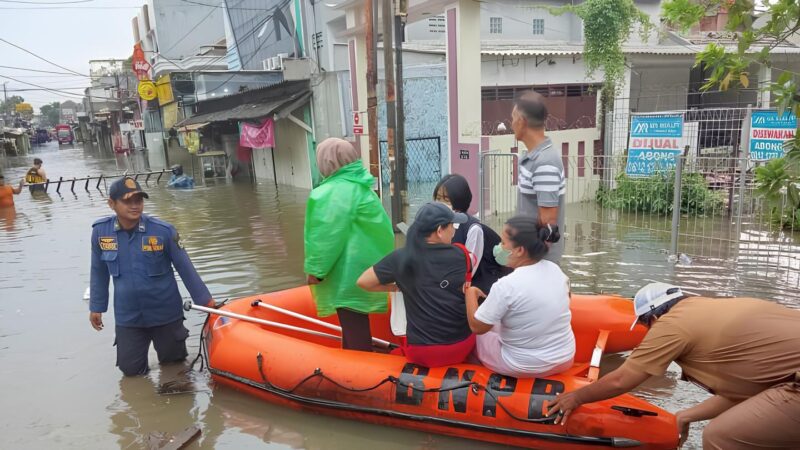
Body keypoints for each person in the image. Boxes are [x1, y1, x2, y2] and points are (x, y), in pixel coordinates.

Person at [547, 282, 800, 449]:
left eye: (646, 327)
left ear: (655, 317)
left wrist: (576, 398)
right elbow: (745, 393)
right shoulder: (703, 308)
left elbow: (621, 380)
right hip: (790, 378)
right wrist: (687, 415)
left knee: (719, 437)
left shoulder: (671, 324)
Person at [89, 176, 215, 376]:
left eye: (138, 200)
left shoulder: (162, 231)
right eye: (127, 201)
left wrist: (207, 303)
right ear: (111, 203)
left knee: (175, 367)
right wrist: (96, 307)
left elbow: (186, 268)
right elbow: (98, 270)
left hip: (165, 314)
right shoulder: (101, 232)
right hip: (128, 317)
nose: (135, 206)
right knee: (130, 372)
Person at [357, 202, 475, 367]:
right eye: (451, 226)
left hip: (421, 353)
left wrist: (395, 287)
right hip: (461, 347)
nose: (454, 231)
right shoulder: (462, 255)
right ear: (440, 231)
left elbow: (363, 282)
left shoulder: (401, 258)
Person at [304, 138, 394, 352]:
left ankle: (361, 377)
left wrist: (316, 271)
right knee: (355, 322)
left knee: (354, 326)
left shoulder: (333, 192)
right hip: (366, 265)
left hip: (348, 270)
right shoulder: (360, 186)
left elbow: (325, 236)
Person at [465, 215, 575, 378]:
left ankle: (472, 377)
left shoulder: (506, 285)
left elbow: (477, 327)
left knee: (471, 336)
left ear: (519, 250)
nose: (499, 247)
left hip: (521, 364)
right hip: (565, 358)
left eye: (503, 243)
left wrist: (470, 293)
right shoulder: (556, 270)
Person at [433, 174, 511, 293]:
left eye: (446, 200)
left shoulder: (472, 228)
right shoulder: (436, 223)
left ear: (459, 200)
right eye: (438, 198)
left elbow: (468, 270)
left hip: (476, 291)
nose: (440, 203)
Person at [511, 91, 565, 263]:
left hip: (538, 262)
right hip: (528, 258)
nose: (511, 124)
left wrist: (529, 264)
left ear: (521, 121)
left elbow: (548, 226)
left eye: (512, 118)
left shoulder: (544, 163)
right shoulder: (534, 157)